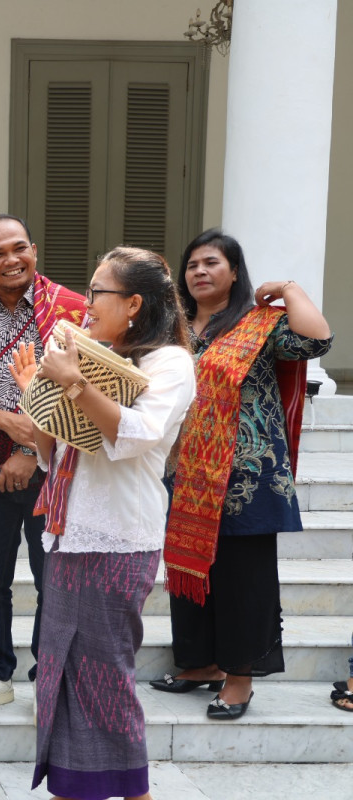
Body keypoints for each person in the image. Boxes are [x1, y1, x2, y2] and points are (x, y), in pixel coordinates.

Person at [12, 247, 196, 800]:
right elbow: (55, 452)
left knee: (105, 677)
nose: (85, 303)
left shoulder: (169, 363)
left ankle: (135, 793)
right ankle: (72, 789)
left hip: (117, 537)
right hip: (68, 533)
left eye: (97, 292)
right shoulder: (97, 356)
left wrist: (74, 383)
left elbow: (137, 436)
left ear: (133, 304)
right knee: (63, 672)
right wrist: (36, 395)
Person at [152, 229, 332, 720]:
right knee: (191, 568)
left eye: (211, 262)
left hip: (245, 474)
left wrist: (289, 289)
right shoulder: (173, 327)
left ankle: (239, 679)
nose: (199, 271)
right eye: (192, 264)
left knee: (242, 580)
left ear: (234, 272)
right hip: (185, 470)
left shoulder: (259, 324)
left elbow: (317, 340)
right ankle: (201, 663)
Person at [0, 214, 87, 715]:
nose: (12, 260)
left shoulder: (73, 311)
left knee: (54, 577)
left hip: (58, 462)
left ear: (34, 250)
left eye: (19, 248)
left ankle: (50, 673)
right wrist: (12, 427)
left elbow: (83, 390)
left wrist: (30, 450)